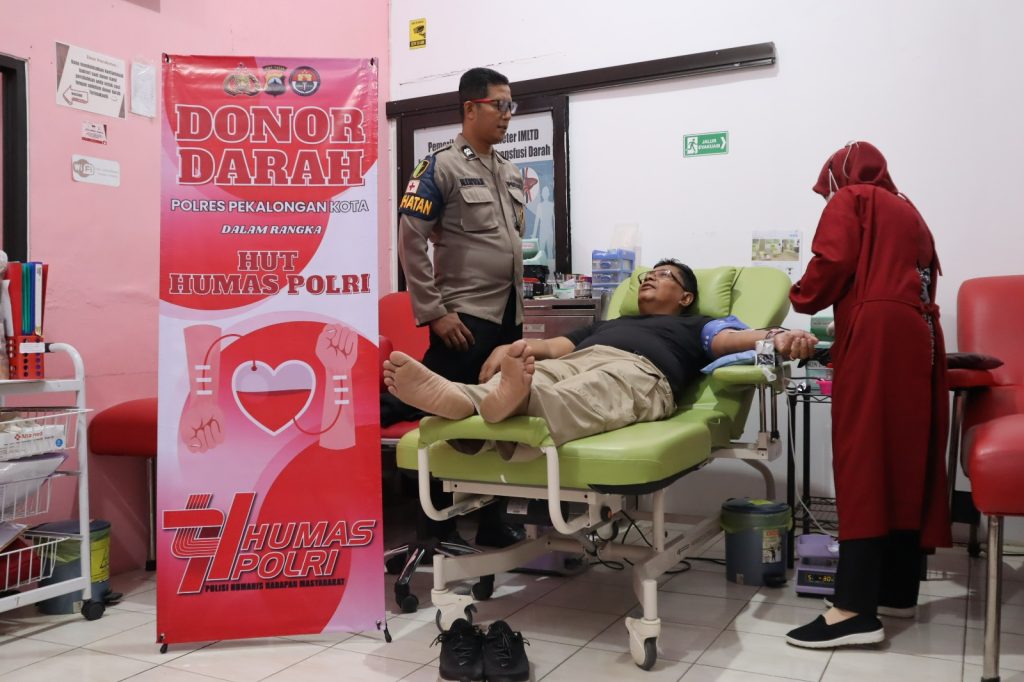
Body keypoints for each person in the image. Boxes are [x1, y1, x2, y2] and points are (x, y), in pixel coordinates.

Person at [383, 258, 817, 459]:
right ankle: (466, 398)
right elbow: (554, 349)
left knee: (586, 392)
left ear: (685, 297)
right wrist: (509, 349)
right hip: (585, 356)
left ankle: (498, 401)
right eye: (647, 275)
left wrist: (783, 337)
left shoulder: (698, 324)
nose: (649, 279)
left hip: (641, 373)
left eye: (663, 276)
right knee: (544, 373)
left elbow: (740, 339)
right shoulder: (608, 323)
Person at [784, 142, 950, 649]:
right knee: (902, 459)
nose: (827, 198)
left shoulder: (852, 197)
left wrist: (799, 295)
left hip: (877, 333)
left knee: (863, 460)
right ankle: (897, 590)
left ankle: (853, 609)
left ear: (839, 176)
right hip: (920, 334)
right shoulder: (908, 208)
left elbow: (831, 263)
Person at [382, 66, 528, 546]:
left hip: (507, 319)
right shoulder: (439, 167)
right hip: (462, 320)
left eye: (510, 106)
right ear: (470, 108)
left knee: (501, 422)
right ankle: (433, 531)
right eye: (498, 105)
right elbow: (411, 240)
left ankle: (492, 522)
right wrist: (434, 311)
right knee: (446, 422)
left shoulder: (508, 172)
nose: (507, 114)